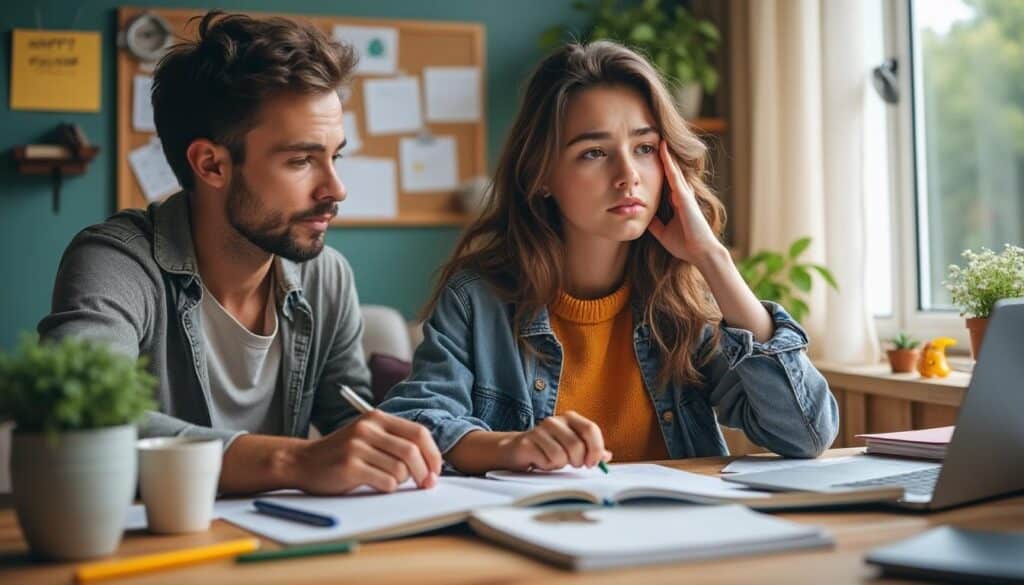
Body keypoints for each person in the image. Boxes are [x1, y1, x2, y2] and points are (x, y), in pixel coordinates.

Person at [379, 41, 838, 474]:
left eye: (643, 148)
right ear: (541, 175)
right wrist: (513, 446)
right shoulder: (476, 299)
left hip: (680, 540)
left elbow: (806, 433)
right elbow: (415, 423)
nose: (627, 176)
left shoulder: (683, 298)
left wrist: (713, 258)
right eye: (594, 152)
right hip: (544, 540)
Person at [38, 11, 441, 495]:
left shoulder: (326, 276)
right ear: (211, 164)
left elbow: (345, 419)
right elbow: (82, 420)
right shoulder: (115, 264)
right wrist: (297, 460)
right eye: (301, 160)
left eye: (335, 157)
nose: (336, 188)